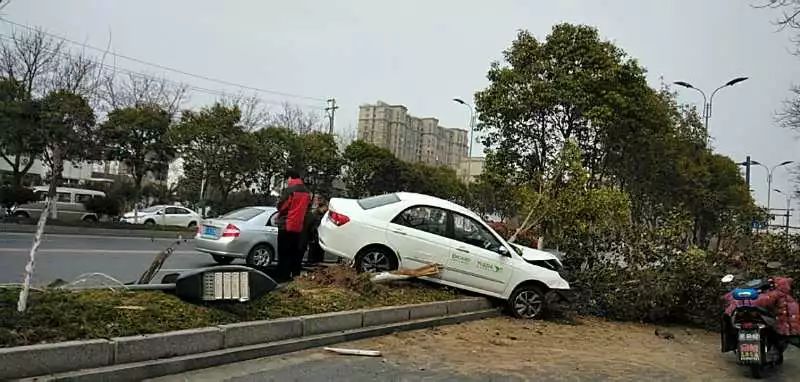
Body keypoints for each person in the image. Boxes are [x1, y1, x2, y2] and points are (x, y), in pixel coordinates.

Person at [275, 169, 310, 281]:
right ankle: (294, 276)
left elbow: (282, 206)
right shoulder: (306, 192)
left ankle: (282, 276)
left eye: (287, 179)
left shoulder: (289, 190)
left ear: (289, 177)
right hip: (298, 227)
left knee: (283, 253)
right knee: (294, 252)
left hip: (286, 225)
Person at [306, 197, 328, 265]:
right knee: (313, 253)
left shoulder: (324, 214)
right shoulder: (315, 213)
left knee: (319, 254)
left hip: (320, 237)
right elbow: (311, 225)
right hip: (315, 236)